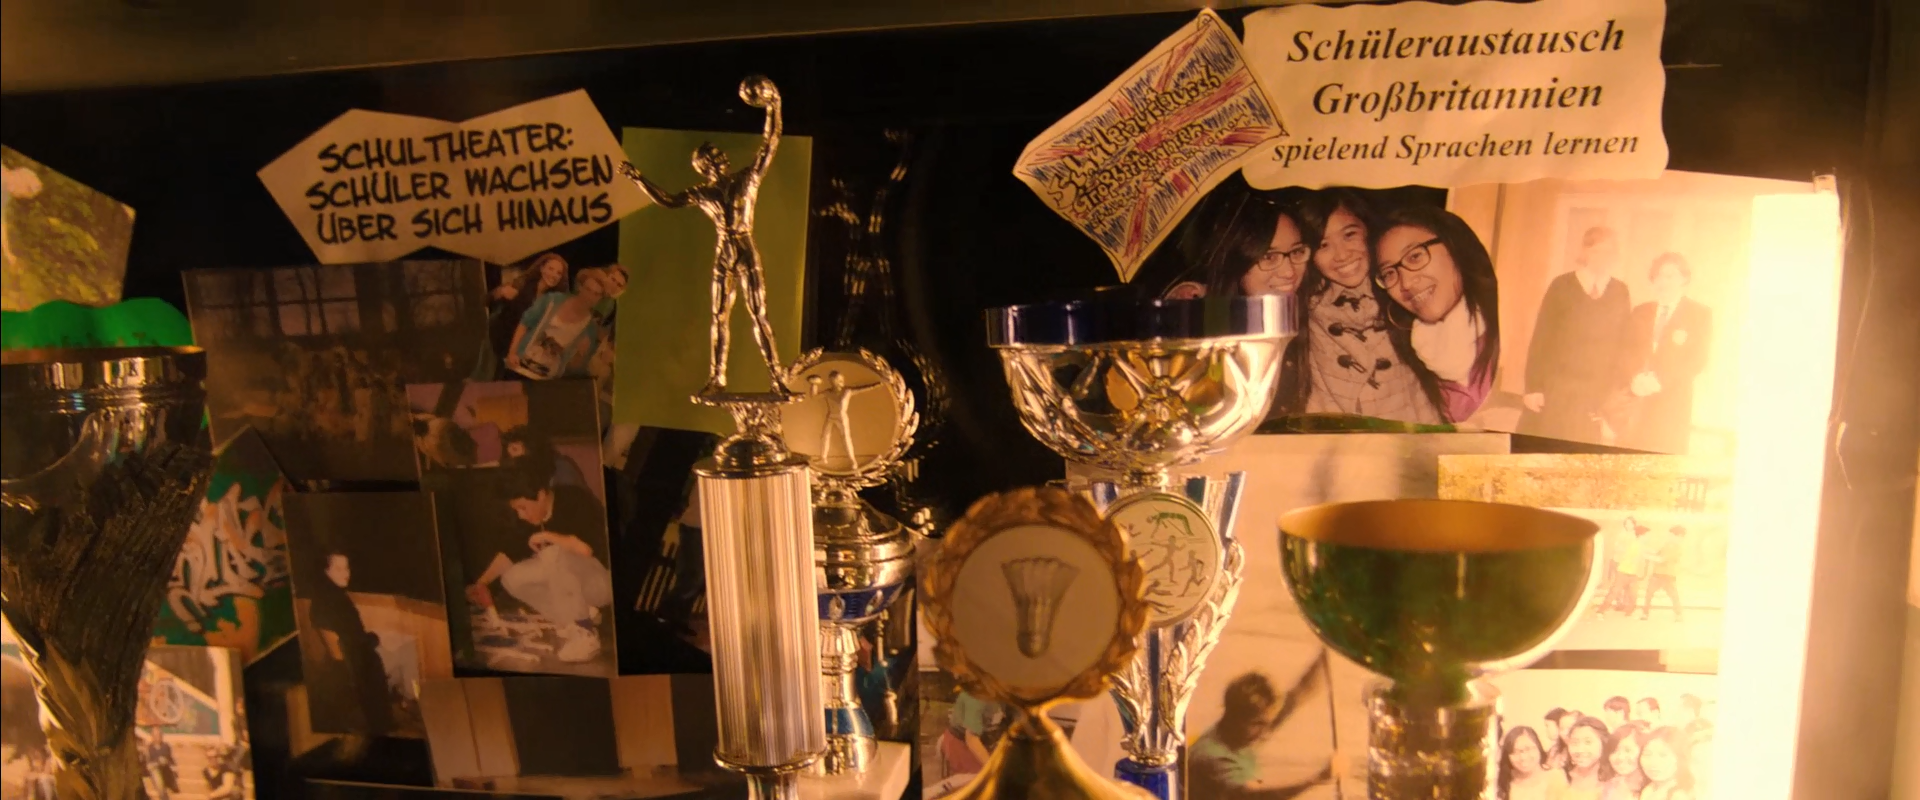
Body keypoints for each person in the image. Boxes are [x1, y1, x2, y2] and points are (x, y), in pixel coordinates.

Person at [622, 76, 789, 398]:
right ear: (705, 165)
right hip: (724, 251)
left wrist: (774, 106)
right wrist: (639, 179)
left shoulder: (747, 179)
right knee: (719, 316)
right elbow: (669, 201)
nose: (721, 156)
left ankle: (776, 378)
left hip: (744, 245)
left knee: (758, 313)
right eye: (714, 155)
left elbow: (771, 142)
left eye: (719, 153)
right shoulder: (703, 193)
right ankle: (717, 378)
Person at [1289, 189, 1441, 423]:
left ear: (1368, 230)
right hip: (1335, 434)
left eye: (1349, 235)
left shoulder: (1402, 291)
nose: (1342, 255)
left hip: (1408, 426)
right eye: (1323, 245)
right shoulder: (1304, 305)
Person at [1370, 204, 1501, 422]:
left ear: (1454, 246)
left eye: (1415, 257)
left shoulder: (1509, 329)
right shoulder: (1407, 366)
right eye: (1389, 273)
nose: (1406, 283)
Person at [467, 470, 614, 663]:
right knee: (512, 578)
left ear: (541, 495)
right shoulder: (530, 519)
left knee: (552, 554)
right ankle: (573, 617)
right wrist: (481, 583)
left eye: (523, 508)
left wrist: (548, 536)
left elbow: (587, 549)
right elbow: (508, 553)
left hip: (602, 582)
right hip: (573, 589)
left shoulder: (575, 499)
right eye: (517, 510)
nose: (521, 515)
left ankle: (585, 633)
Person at [1518, 226, 1636, 444]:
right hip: (1558, 387)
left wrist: (1615, 393)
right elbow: (1541, 339)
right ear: (1585, 252)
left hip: (1596, 391)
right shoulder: (1561, 285)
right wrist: (1533, 387)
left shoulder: (1620, 291)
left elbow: (1623, 344)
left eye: (1608, 252)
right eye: (1596, 250)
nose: (1602, 257)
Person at [1187, 666, 1335, 799]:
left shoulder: (1246, 728)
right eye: (1259, 724)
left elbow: (1301, 691)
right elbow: (1256, 795)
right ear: (1235, 717)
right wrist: (1316, 779)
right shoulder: (1212, 757)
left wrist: (1326, 657)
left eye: (1268, 723)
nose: (1265, 732)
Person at [1621, 253, 1712, 454]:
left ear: (1684, 279)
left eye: (1670, 276)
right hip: (1638, 402)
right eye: (1658, 276)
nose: (1663, 282)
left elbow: (1697, 360)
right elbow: (1626, 351)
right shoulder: (1641, 311)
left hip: (1673, 403)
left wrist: (1660, 381)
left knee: (1666, 460)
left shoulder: (1699, 314)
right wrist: (1634, 377)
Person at [305, 551, 394, 734]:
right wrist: (373, 639)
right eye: (338, 569)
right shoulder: (335, 601)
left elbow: (347, 633)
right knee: (376, 660)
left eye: (346, 568)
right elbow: (352, 639)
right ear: (326, 571)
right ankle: (381, 725)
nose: (346, 573)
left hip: (344, 657)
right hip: (353, 660)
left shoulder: (323, 596)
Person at [506, 267, 612, 380]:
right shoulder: (552, 300)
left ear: (600, 298)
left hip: (547, 381)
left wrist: (579, 355)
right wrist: (512, 353)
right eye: (588, 289)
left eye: (596, 294)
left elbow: (573, 369)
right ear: (580, 287)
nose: (589, 296)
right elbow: (524, 323)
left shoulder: (590, 330)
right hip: (519, 366)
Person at [490, 253, 570, 366]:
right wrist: (500, 292)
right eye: (551, 269)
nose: (554, 275)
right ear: (542, 268)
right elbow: (488, 300)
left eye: (559, 273)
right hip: (497, 340)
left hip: (520, 350)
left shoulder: (554, 300)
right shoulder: (524, 283)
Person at [939, 690, 1001, 779]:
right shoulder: (977, 695)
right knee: (984, 779)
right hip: (961, 741)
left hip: (988, 740)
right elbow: (971, 738)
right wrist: (993, 767)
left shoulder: (1008, 692)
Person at [1496, 725, 1568, 800]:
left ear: (1538, 748)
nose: (1523, 757)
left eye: (1528, 749)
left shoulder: (1555, 777)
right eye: (1515, 752)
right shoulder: (1504, 784)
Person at [1561, 715, 1612, 798]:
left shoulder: (1613, 782)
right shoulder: (1561, 778)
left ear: (1603, 743)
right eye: (1575, 742)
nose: (1580, 750)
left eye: (1588, 742)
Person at [1636, 726, 1694, 800]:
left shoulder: (1680, 796)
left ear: (1680, 758)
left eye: (1663, 755)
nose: (1653, 762)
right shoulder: (1649, 789)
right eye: (1647, 754)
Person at [1642, 525, 1686, 621]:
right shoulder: (1667, 545)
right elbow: (1657, 553)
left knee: (1673, 595)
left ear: (1678, 536)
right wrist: (1646, 550)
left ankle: (1678, 614)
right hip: (1658, 574)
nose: (1669, 536)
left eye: (1671, 535)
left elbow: (1661, 559)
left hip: (1667, 575)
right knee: (1649, 594)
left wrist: (1645, 555)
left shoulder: (1676, 548)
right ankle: (1645, 613)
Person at [1599, 724, 1647, 800]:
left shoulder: (1653, 790)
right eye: (1614, 751)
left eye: (1627, 750)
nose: (1620, 757)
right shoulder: (1609, 787)